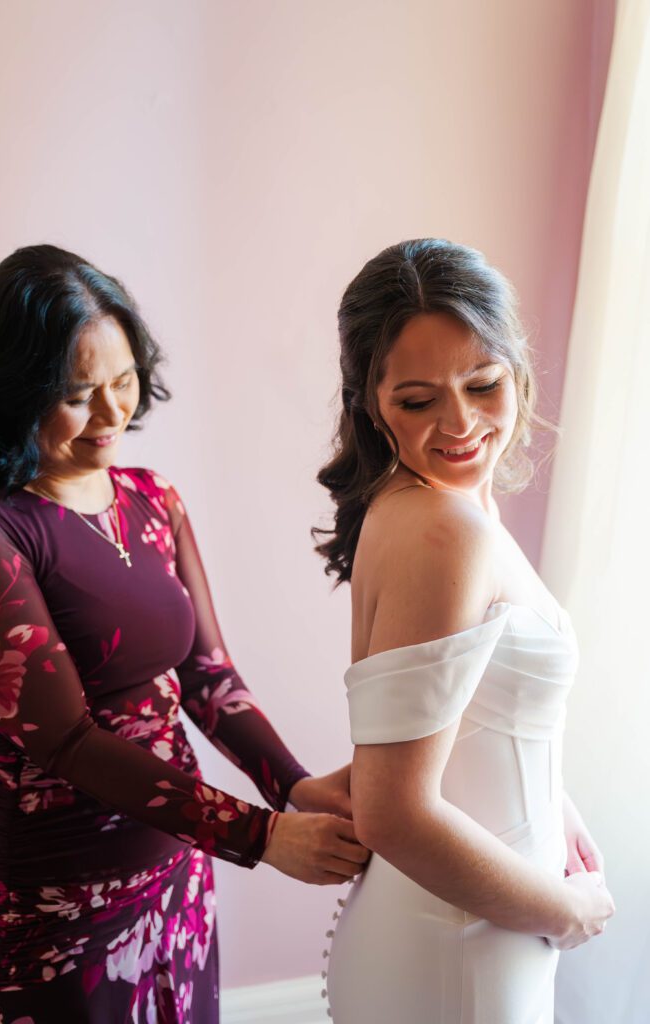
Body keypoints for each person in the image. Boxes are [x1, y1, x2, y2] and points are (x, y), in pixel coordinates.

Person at [0, 244, 368, 1024]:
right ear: (9, 395)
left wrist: (291, 785)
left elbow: (207, 673)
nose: (114, 413)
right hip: (52, 899)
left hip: (176, 871)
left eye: (123, 382)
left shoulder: (151, 500)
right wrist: (260, 836)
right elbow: (70, 742)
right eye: (79, 394)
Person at [315, 239, 615, 1023]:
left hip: (472, 924)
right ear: (370, 403)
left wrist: (556, 808)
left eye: (482, 384)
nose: (460, 423)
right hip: (460, 943)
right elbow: (393, 810)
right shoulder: (441, 530)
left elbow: (475, 719)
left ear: (516, 370)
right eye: (418, 401)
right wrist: (562, 910)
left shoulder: (438, 506)